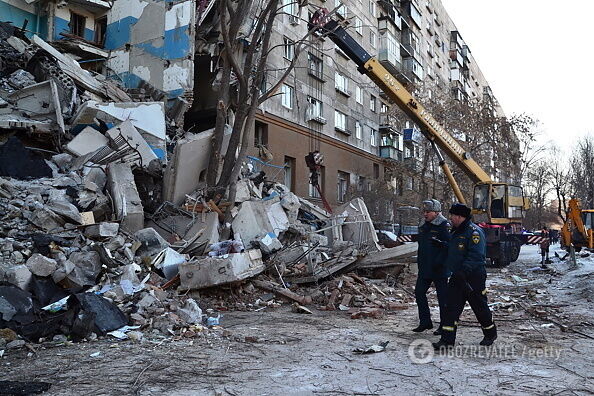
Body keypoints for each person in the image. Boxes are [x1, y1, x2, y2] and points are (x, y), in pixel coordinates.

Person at [433, 203, 497, 350]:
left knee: (479, 307)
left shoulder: (474, 232)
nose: (451, 219)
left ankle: (490, 333)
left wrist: (464, 271)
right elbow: (456, 249)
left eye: (453, 216)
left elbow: (476, 256)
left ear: (460, 217)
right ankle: (447, 340)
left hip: (473, 277)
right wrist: (442, 245)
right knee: (451, 308)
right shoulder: (456, 231)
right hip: (457, 276)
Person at [412, 199, 451, 335]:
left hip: (439, 268)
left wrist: (440, 262)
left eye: (428, 212)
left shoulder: (444, 225)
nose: (425, 214)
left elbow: (449, 247)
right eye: (424, 211)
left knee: (443, 298)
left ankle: (444, 325)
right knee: (419, 292)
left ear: (436, 212)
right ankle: (425, 321)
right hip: (425, 267)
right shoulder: (424, 225)